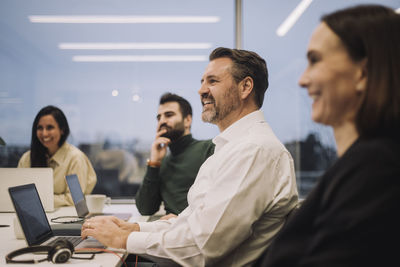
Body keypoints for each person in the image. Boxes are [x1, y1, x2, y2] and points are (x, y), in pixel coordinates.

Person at [81, 47, 298, 266]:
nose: (201, 90)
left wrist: (123, 238)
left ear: (245, 87)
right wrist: (134, 228)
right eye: (202, 81)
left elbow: (202, 247)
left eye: (212, 81)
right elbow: (192, 222)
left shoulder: (253, 150)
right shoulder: (229, 148)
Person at [258, 5, 400, 267]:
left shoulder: (377, 168)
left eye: (315, 60)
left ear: (363, 73)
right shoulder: (360, 164)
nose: (302, 80)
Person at [135, 92, 215, 216]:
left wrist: (178, 221)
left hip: (195, 229)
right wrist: (154, 163)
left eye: (169, 115)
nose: (162, 121)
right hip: (168, 230)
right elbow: (145, 209)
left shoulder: (209, 148)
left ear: (187, 120)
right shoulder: (162, 163)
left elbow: (217, 202)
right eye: (159, 118)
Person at [18, 105, 97, 207]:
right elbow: (19, 195)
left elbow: (74, 200)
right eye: (40, 128)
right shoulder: (27, 158)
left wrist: (38, 199)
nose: (44, 133)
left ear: (62, 130)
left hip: (65, 218)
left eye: (50, 127)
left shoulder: (75, 158)